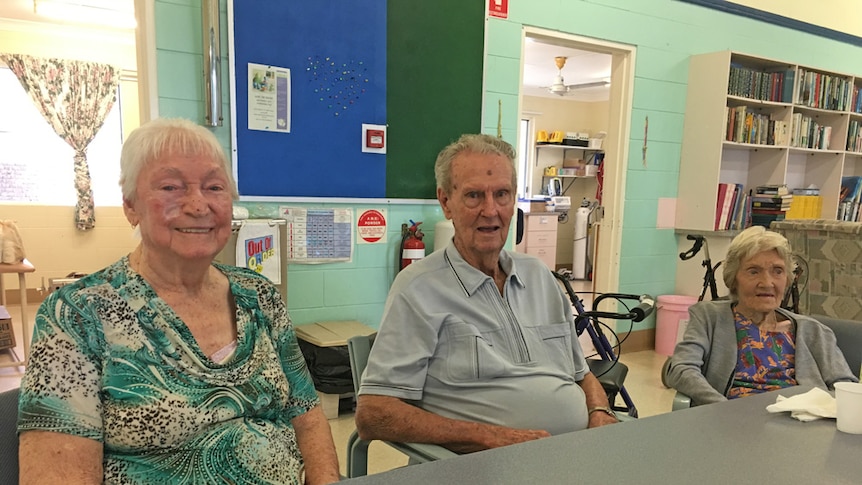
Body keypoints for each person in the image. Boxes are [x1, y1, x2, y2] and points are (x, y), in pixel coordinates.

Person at [17, 118, 340, 484]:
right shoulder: (77, 316)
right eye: (171, 187)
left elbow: (308, 417)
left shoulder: (259, 295)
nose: (198, 205)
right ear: (130, 206)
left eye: (214, 187)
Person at [354, 134, 617, 455]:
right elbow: (374, 413)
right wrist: (489, 437)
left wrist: (600, 413)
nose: (490, 210)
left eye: (502, 194)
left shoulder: (540, 277)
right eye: (474, 195)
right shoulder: (418, 290)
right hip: (488, 466)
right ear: (445, 202)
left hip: (575, 456)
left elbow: (582, 374)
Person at [664, 225, 858, 406]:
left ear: (787, 279)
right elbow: (681, 370)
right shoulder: (708, 317)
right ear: (733, 279)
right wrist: (722, 408)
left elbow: (845, 386)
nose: (767, 282)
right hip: (731, 424)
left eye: (778, 271)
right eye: (753, 271)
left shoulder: (814, 331)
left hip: (802, 424)